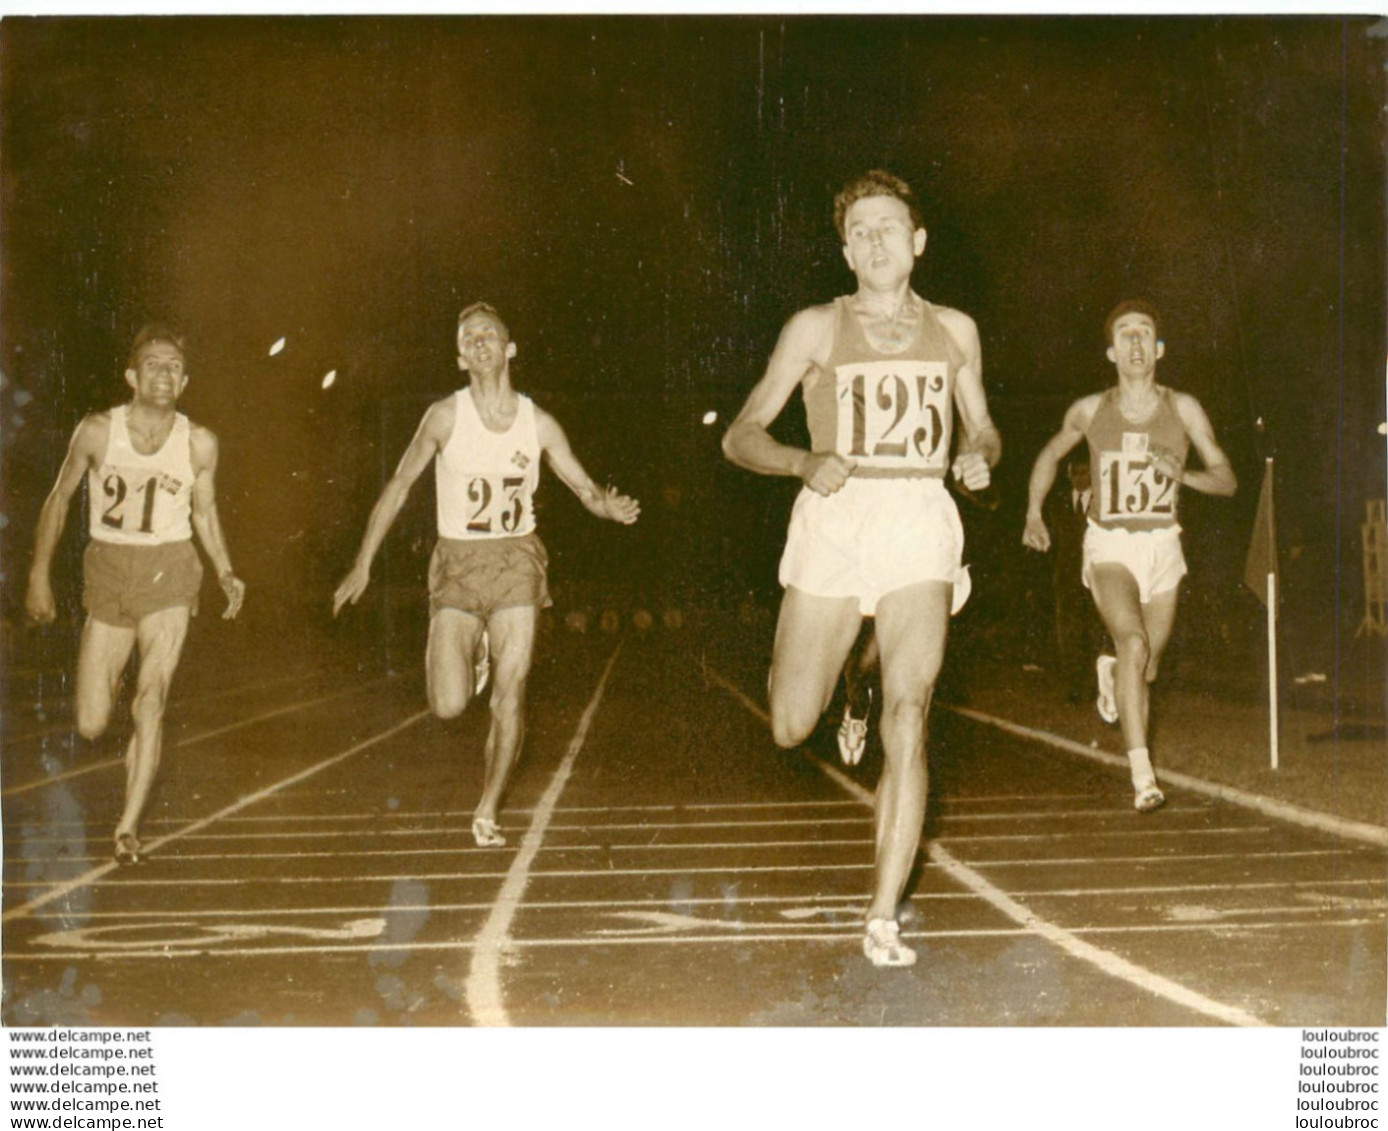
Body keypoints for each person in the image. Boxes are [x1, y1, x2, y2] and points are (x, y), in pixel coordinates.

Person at [723, 170, 1000, 968]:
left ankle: (883, 913)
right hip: (835, 522)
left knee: (909, 713)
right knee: (788, 723)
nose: (877, 240)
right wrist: (801, 461)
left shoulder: (956, 330)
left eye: (891, 227)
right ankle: (848, 675)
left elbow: (984, 429)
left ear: (918, 242)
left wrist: (978, 456)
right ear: (846, 251)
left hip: (918, 517)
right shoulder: (814, 327)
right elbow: (740, 433)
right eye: (861, 231)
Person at [333, 302, 639, 847]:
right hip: (457, 562)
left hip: (517, 561)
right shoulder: (444, 417)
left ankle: (488, 807)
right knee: (448, 705)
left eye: (488, 333)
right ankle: (468, 655)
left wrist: (607, 506)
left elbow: (582, 486)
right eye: (468, 336)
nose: (479, 341)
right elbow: (399, 488)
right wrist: (362, 562)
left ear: (508, 348)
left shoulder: (537, 422)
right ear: (459, 357)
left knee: (511, 691)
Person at [25, 325, 246, 864]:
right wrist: (38, 573)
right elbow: (59, 499)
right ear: (132, 375)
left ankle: (127, 826)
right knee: (91, 721)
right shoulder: (99, 431)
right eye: (153, 364)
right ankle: (120, 724)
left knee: (151, 700)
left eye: (174, 366)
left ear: (185, 380)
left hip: (168, 569)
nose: (164, 373)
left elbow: (204, 511)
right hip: (109, 567)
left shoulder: (199, 442)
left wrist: (224, 570)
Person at [1022, 299, 1236, 812]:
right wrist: (1033, 513)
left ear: (1158, 349)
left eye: (1145, 333)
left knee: (1147, 668)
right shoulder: (1090, 409)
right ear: (1111, 351)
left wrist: (1179, 474)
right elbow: (1049, 455)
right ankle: (1143, 776)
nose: (1135, 343)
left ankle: (1112, 672)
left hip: (1163, 545)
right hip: (1110, 544)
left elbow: (1227, 480)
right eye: (1125, 334)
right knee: (1134, 643)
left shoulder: (1182, 408)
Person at [1045, 456, 1109, 705]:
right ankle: (1073, 686)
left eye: (1085, 472)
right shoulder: (1057, 503)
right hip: (1066, 578)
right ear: (1069, 475)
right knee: (1069, 634)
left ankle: (1096, 687)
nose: (1080, 477)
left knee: (1095, 632)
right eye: (1075, 473)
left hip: (1097, 577)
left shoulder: (1102, 501)